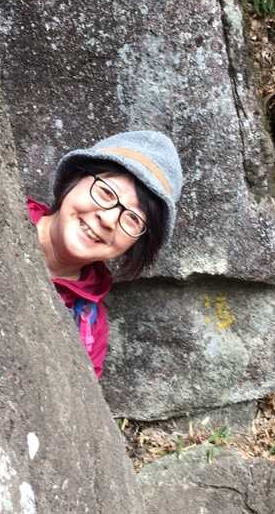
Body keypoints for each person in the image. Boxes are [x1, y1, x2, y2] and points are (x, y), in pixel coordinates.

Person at [28, 130, 183, 378]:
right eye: (106, 193)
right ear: (74, 179)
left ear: (136, 245)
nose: (108, 219)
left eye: (133, 219)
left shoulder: (88, 329)